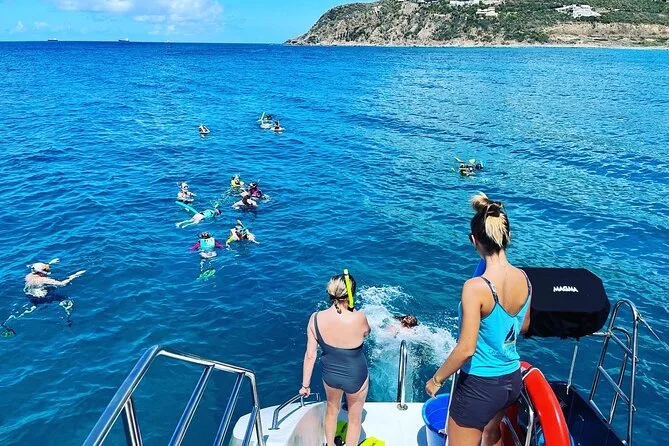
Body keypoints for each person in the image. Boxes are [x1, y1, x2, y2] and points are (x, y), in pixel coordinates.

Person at [425, 193, 531, 446]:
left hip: (479, 386)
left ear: (474, 241)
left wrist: (436, 380)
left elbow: (466, 349)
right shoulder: (525, 278)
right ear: (507, 236)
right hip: (510, 380)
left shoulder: (475, 288)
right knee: (492, 435)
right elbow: (524, 326)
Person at [300, 271, 370, 446]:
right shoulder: (359, 317)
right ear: (351, 294)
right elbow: (366, 333)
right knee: (354, 418)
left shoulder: (315, 318)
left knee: (331, 410)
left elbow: (310, 356)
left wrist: (305, 385)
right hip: (356, 376)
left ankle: (330, 444)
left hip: (330, 375)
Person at [2, 259, 86, 336]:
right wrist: (75, 275)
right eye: (46, 269)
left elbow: (38, 269)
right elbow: (62, 284)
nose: (48, 270)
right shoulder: (43, 280)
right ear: (40, 272)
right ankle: (68, 320)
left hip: (29, 295)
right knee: (67, 301)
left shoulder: (29, 276)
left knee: (26, 310)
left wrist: (51, 262)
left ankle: (7, 324)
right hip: (41, 298)